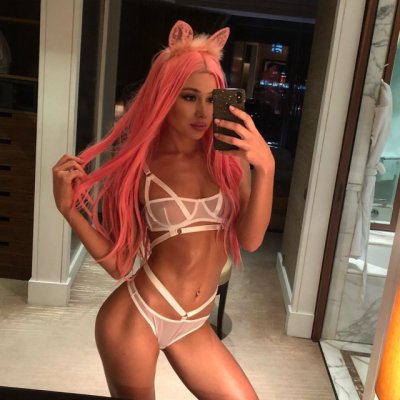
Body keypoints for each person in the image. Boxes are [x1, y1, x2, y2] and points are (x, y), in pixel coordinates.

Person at [52, 20, 274, 400]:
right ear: (165, 97)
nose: (202, 112)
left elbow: (250, 240)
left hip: (194, 323)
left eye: (211, 99)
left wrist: (265, 167)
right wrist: (69, 209)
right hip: (136, 318)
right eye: (189, 97)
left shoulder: (230, 162)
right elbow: (120, 264)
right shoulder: (142, 169)